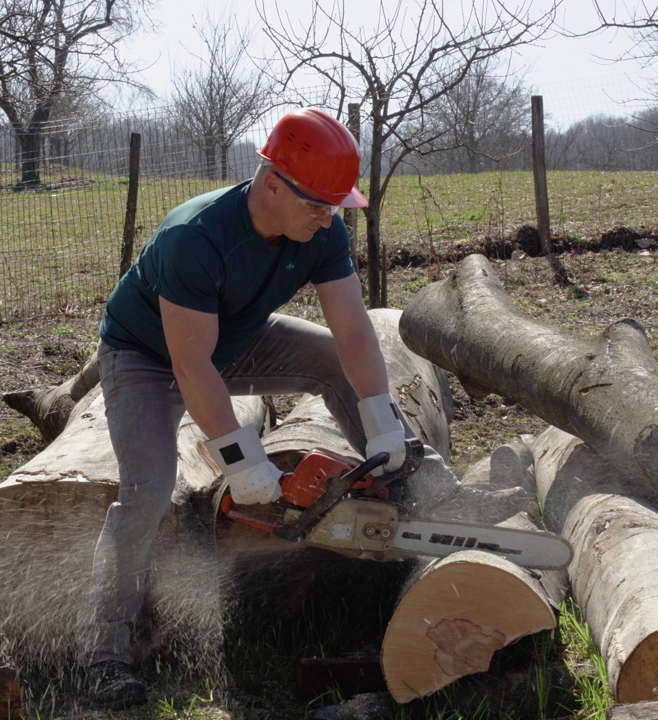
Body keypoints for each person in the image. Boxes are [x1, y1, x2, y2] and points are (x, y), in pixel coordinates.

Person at [84, 107, 412, 709]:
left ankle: (412, 490)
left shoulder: (322, 228)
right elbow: (190, 366)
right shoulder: (196, 237)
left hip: (235, 336)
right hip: (147, 357)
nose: (327, 218)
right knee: (149, 492)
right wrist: (244, 462)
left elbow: (354, 331)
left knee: (336, 366)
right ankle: (103, 652)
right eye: (316, 204)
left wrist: (382, 420)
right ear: (271, 184)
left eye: (334, 206)